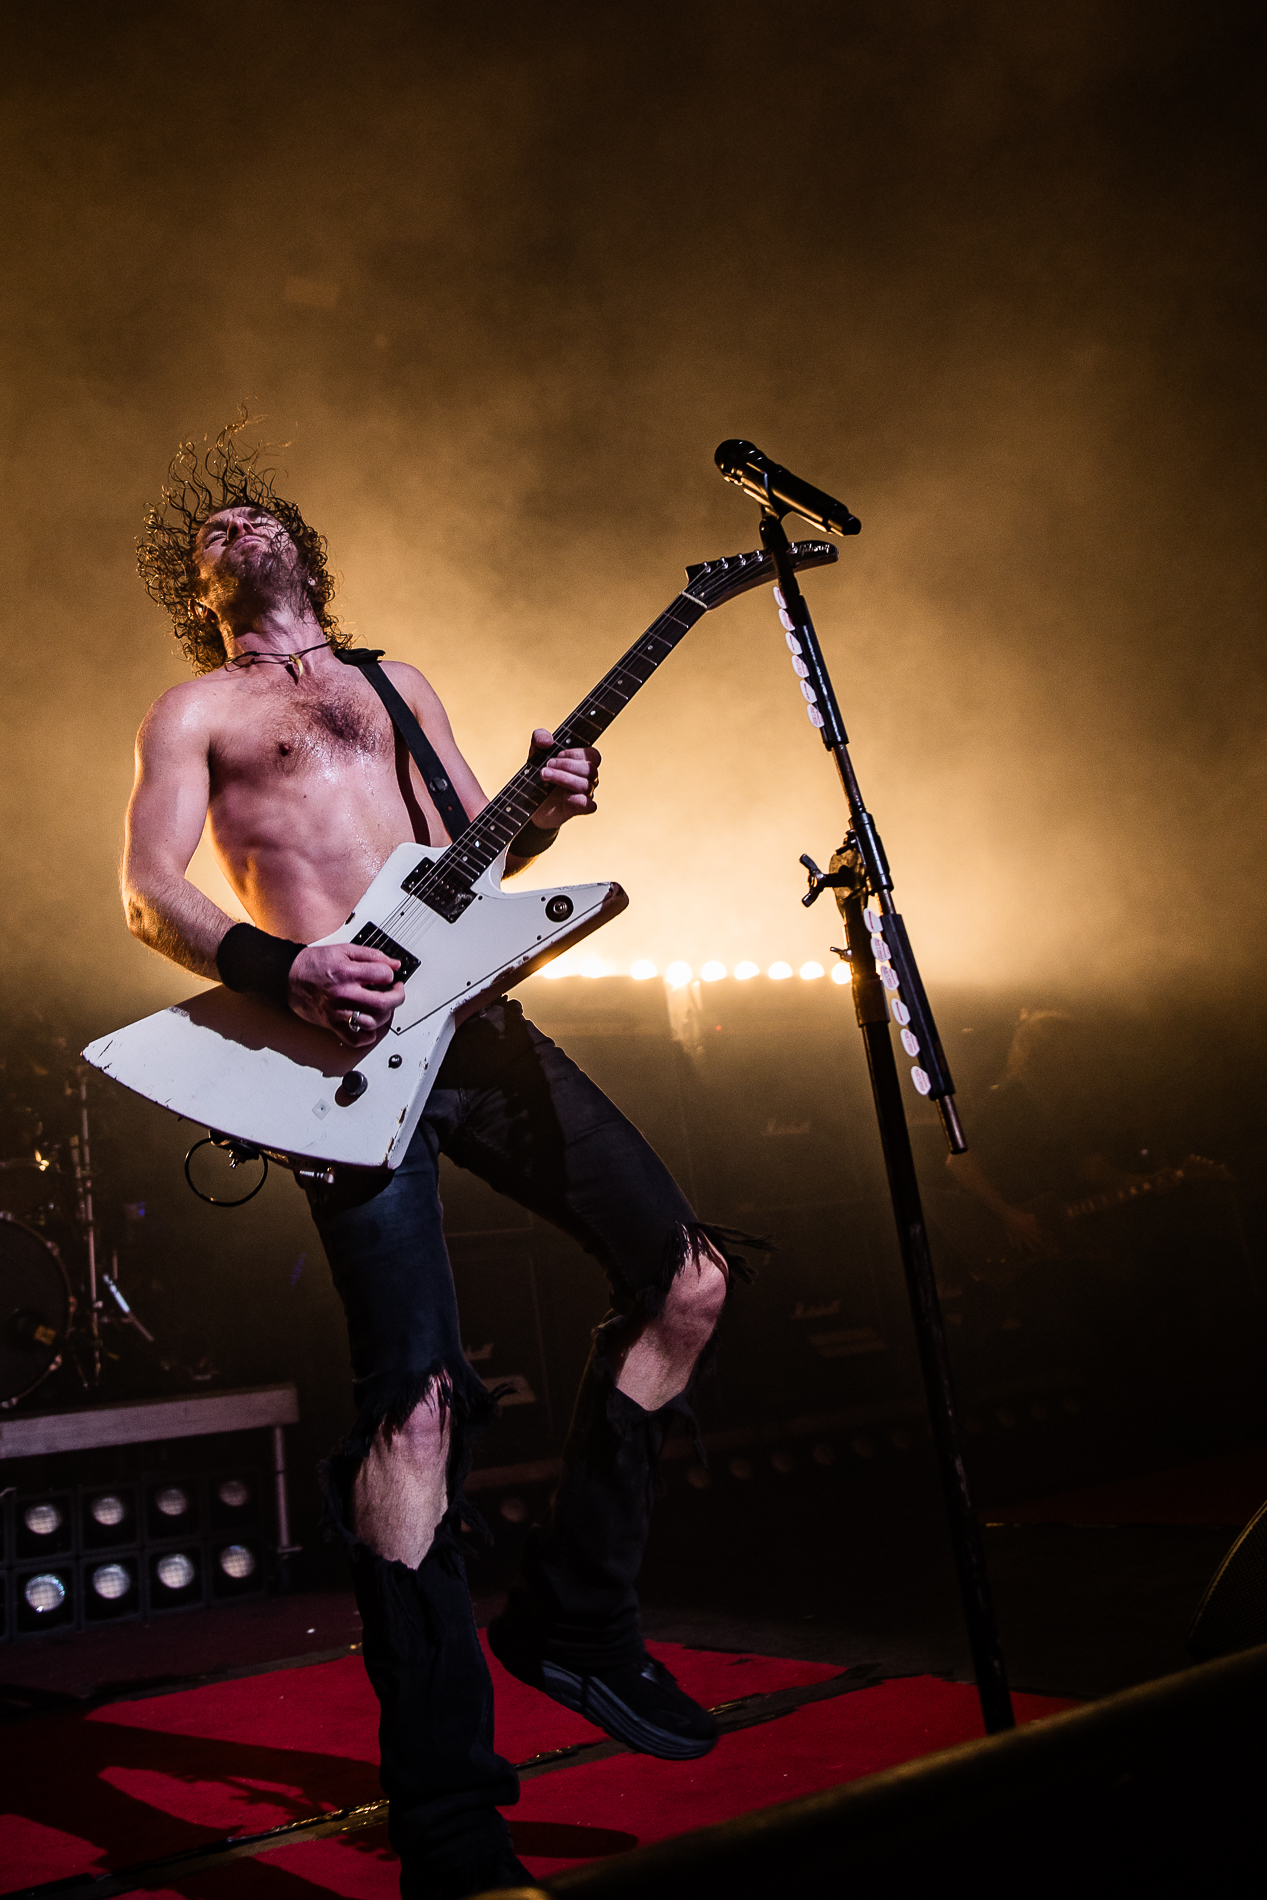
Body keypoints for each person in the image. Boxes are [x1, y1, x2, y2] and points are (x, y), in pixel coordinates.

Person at [122, 422, 742, 1899]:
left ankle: (578, 1619)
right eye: (210, 529)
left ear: (302, 545)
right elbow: (147, 893)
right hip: (338, 1064)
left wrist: (544, 810)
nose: (236, 525)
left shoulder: (397, 683)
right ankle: (450, 1819)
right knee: (413, 1413)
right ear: (198, 585)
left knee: (691, 1283)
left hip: (476, 1030)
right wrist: (281, 969)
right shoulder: (195, 710)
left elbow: (479, 856)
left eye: (256, 510)